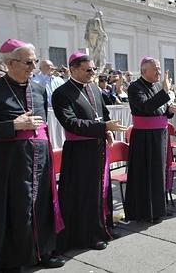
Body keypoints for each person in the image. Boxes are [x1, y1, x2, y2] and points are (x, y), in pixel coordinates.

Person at [0, 39, 65, 271]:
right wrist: (12, 125)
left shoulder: (40, 89)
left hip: (40, 159)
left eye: (35, 61)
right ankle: (13, 259)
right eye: (28, 62)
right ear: (10, 63)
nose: (33, 67)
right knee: (16, 211)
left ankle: (42, 251)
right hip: (7, 164)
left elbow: (40, 127)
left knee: (41, 206)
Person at [52, 52, 127, 253]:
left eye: (93, 69)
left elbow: (104, 113)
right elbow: (70, 122)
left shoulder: (94, 88)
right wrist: (103, 127)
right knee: (85, 194)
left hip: (99, 148)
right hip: (79, 152)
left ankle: (103, 227)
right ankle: (87, 235)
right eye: (88, 70)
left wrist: (107, 131)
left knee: (102, 191)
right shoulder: (61, 93)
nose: (92, 73)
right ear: (73, 69)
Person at [124, 57, 176, 224]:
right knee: (146, 175)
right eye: (155, 70)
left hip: (159, 135)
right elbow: (145, 107)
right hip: (144, 138)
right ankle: (146, 212)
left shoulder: (155, 86)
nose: (159, 73)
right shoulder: (135, 87)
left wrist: (169, 111)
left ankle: (159, 209)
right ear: (144, 71)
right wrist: (165, 93)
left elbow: (160, 111)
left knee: (158, 174)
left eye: (159, 69)